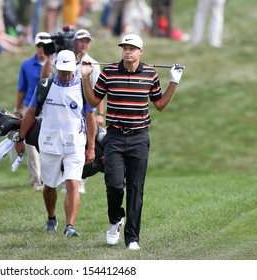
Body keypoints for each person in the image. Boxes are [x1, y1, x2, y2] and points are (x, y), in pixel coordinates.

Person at [81, 34, 184, 250]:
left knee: (136, 188)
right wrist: (85, 77)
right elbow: (92, 101)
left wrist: (173, 81)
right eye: (124, 48)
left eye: (132, 48)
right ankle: (115, 220)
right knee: (114, 185)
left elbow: (160, 104)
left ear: (140, 52)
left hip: (139, 138)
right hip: (115, 137)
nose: (127, 51)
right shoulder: (109, 72)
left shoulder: (150, 74)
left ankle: (132, 238)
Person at [15, 49, 96, 237]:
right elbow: (30, 112)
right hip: (50, 143)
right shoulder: (44, 85)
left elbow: (90, 118)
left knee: (72, 183)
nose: (66, 74)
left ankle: (70, 226)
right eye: (62, 70)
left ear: (75, 67)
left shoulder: (83, 88)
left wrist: (91, 147)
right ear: (56, 67)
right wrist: (20, 137)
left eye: (69, 70)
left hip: (75, 143)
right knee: (49, 185)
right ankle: (52, 217)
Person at [41, 28, 103, 194]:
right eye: (81, 40)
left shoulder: (93, 64)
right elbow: (45, 79)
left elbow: (99, 92)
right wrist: (48, 58)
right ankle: (64, 179)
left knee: (80, 145)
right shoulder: (60, 59)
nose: (84, 44)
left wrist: (100, 114)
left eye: (87, 41)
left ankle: (78, 181)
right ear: (74, 41)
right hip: (60, 110)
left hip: (83, 111)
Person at [13, 32, 52, 191]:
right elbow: (21, 89)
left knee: (48, 145)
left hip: (49, 109)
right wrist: (17, 109)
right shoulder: (26, 64)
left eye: (45, 45)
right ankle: (37, 181)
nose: (41, 48)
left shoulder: (56, 63)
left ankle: (49, 179)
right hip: (30, 108)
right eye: (39, 45)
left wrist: (50, 59)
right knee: (31, 146)